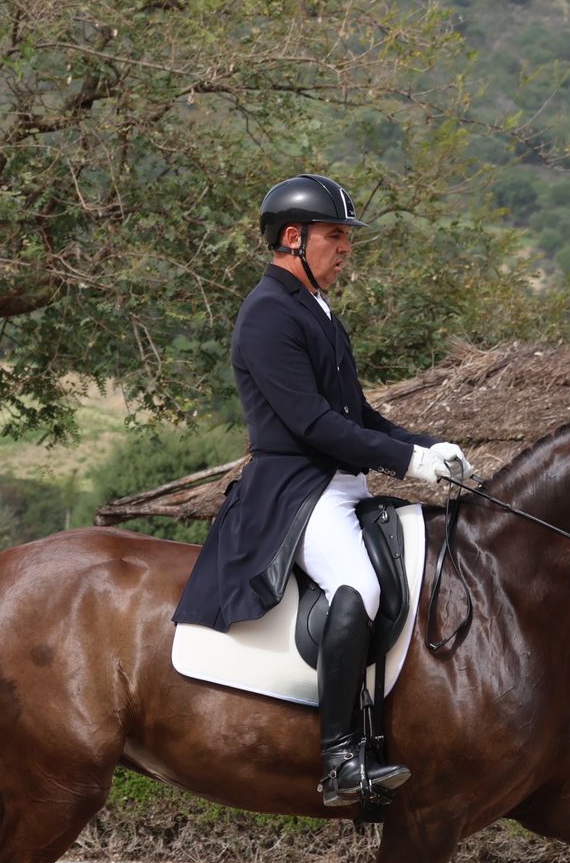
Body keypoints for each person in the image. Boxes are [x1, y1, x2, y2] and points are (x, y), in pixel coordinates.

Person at [174, 174, 471, 808]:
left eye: (345, 237)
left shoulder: (317, 310)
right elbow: (313, 424)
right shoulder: (267, 314)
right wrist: (407, 462)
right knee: (357, 587)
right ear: (293, 237)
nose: (346, 248)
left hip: (343, 484)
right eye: (335, 235)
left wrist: (428, 446)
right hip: (296, 492)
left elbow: (358, 414)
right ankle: (340, 758)